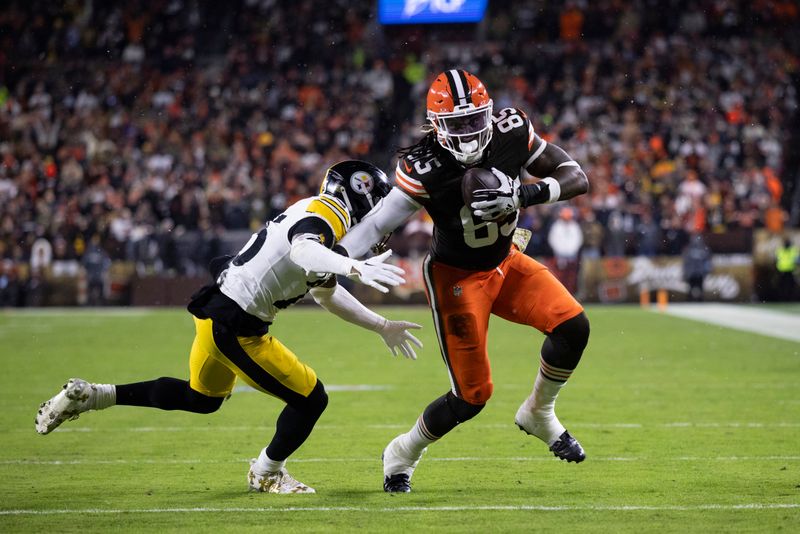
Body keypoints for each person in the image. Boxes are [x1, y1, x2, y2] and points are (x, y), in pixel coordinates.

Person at [35, 160, 423, 494]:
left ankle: (93, 395)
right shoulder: (329, 214)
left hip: (218, 312)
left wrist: (381, 325)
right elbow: (303, 249)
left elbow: (325, 293)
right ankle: (266, 473)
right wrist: (353, 265)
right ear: (358, 197)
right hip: (238, 324)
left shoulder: (320, 219)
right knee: (311, 399)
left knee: (201, 399)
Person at [338, 69, 591, 493]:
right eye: (458, 124)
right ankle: (402, 451)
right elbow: (377, 223)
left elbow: (576, 178)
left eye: (476, 120)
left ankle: (539, 414)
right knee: (472, 396)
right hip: (456, 278)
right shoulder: (425, 167)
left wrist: (523, 195)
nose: (470, 131)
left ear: (490, 114)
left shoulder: (512, 130)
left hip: (505, 263)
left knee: (573, 327)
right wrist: (337, 259)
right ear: (436, 126)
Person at [682, 232, 712, 301]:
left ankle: (694, 299)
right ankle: (696, 299)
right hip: (696, 273)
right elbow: (686, 263)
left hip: (696, 273)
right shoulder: (703, 249)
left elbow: (707, 262)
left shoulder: (689, 249)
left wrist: (686, 272)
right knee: (694, 288)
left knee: (695, 288)